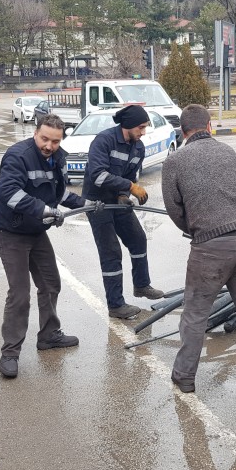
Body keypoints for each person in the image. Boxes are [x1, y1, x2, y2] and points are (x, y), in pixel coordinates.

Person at [162, 104, 236, 393]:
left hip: (211, 248)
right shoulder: (227, 151)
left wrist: (196, 230)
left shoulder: (174, 161)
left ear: (182, 130)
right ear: (210, 126)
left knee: (195, 314)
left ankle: (184, 377)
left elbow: (174, 209)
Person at [0, 113, 85, 378]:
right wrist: (45, 210)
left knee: (50, 283)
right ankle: (10, 353)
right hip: (10, 233)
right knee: (19, 294)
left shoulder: (58, 158)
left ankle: (48, 335)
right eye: (45, 139)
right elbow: (9, 193)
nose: (49, 145)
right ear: (36, 133)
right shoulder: (17, 156)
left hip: (35, 233)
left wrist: (84, 203)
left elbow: (58, 193)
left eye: (55, 141)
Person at [82, 105, 165, 320]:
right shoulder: (104, 141)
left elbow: (131, 174)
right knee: (111, 252)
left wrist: (123, 194)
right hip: (97, 203)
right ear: (127, 125)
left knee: (138, 239)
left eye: (145, 127)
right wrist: (129, 187)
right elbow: (98, 176)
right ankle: (116, 305)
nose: (143, 132)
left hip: (117, 200)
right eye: (141, 127)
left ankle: (141, 285)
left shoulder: (138, 147)